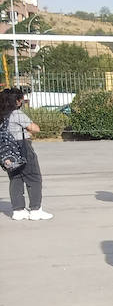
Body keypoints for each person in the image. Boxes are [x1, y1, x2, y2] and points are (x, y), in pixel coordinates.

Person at [3, 88, 48, 221]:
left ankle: (18, 210)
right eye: (21, 99)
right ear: (17, 101)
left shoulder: (2, 114)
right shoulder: (16, 114)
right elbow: (34, 128)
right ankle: (35, 210)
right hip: (22, 147)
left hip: (7, 150)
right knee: (33, 177)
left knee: (15, 178)